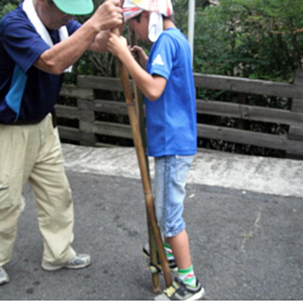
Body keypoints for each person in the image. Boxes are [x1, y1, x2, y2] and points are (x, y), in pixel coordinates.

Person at [0, 0, 123, 286]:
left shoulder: (62, 23)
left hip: (44, 125)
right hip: (9, 129)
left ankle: (58, 253)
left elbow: (97, 41)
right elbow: (53, 62)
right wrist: (95, 22)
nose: (70, 16)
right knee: (2, 200)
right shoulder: (14, 25)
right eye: (65, 9)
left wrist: (112, 23)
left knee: (58, 194)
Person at [108, 0, 205, 299]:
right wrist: (143, 61)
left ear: (148, 16)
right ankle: (169, 255)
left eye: (134, 23)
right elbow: (167, 80)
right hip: (176, 140)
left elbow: (153, 89)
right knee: (166, 212)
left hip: (171, 143)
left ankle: (189, 283)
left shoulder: (164, 40)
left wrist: (124, 54)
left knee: (170, 217)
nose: (135, 32)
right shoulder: (177, 39)